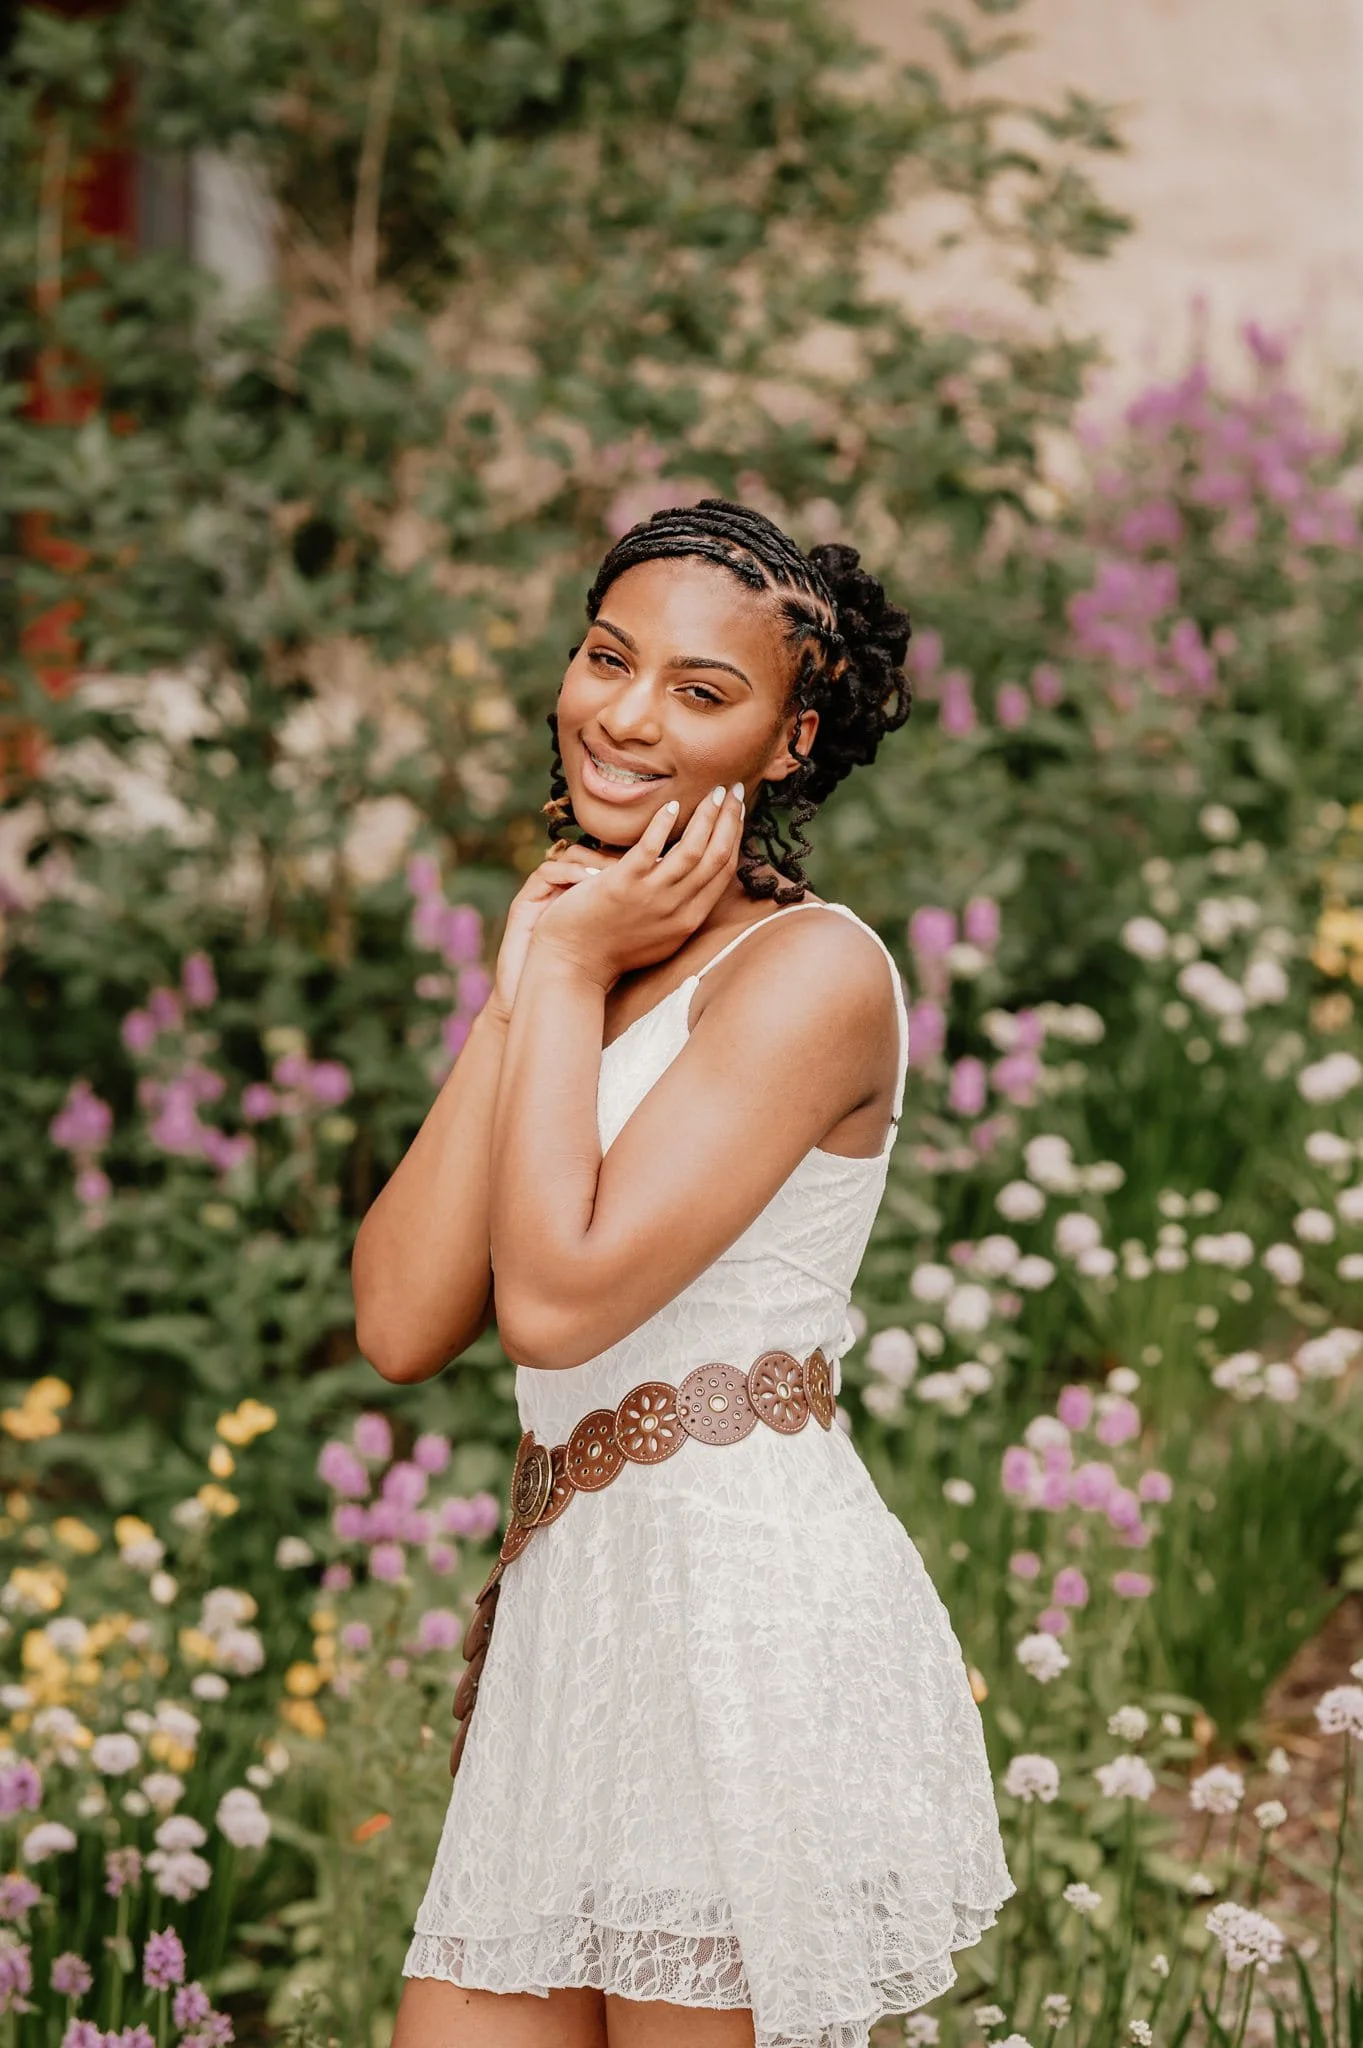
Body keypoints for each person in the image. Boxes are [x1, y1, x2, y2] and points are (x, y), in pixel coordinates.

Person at [351, 500, 1014, 2048]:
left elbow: (561, 1299)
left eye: (701, 692)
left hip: (735, 1606)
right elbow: (397, 1322)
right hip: (577, 1608)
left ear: (787, 744)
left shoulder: (812, 974)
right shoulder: (577, 947)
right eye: (607, 658)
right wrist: (532, 991)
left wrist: (572, 972)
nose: (627, 716)